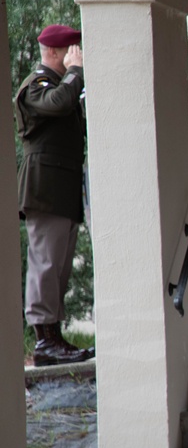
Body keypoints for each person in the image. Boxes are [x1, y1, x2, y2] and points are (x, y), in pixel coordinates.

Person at [15, 24, 95, 366]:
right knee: (46, 264)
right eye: (71, 51)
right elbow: (60, 103)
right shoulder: (38, 85)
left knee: (59, 266)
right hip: (45, 190)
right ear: (53, 52)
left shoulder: (61, 85)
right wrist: (75, 72)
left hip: (62, 191)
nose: (76, 56)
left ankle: (55, 338)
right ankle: (44, 338)